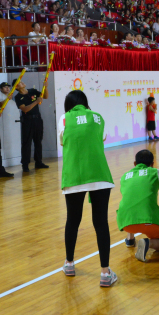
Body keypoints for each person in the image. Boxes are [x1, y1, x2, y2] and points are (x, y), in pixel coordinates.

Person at [57, 89, 116, 286]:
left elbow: (62, 140)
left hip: (74, 175)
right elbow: (103, 138)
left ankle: (69, 263)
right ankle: (105, 273)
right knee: (101, 222)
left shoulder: (64, 118)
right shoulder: (98, 118)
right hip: (99, 174)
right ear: (85, 102)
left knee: (72, 220)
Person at [117, 149, 159, 262]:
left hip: (125, 222)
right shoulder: (155, 172)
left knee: (132, 202)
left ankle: (130, 240)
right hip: (147, 221)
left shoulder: (124, 176)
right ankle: (147, 243)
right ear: (152, 164)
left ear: (135, 163)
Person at [13, 78, 49, 172]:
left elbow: (45, 96)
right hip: (27, 121)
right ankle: (25, 164)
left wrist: (45, 87)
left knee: (38, 141)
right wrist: (36, 102)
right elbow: (25, 109)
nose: (22, 82)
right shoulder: (18, 97)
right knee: (26, 143)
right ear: (16, 87)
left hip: (37, 119)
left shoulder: (33, 91)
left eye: (21, 81)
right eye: (19, 83)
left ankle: (39, 162)